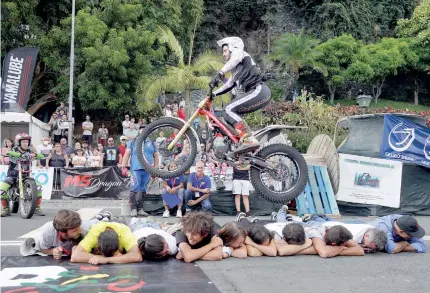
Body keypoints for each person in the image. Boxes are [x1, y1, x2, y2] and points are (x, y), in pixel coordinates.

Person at [210, 37, 271, 154]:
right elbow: (228, 85)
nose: (223, 54)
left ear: (232, 48)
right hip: (257, 93)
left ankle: (248, 138)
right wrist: (213, 94)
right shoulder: (236, 71)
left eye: (225, 51)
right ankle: (243, 144)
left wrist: (220, 72)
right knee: (229, 115)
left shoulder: (240, 54)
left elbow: (235, 59)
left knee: (227, 109)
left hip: (259, 90)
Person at [0, 133, 44, 216]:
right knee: (2, 190)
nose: (25, 143)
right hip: (12, 176)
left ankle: (37, 208)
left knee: (39, 187)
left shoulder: (30, 150)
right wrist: (17, 155)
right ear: (19, 143)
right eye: (23, 142)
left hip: (26, 176)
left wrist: (35, 155)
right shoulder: (14, 149)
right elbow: (8, 152)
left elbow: (41, 155)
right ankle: (6, 209)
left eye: (27, 142)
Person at [121, 125, 159, 217]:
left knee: (143, 188)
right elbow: (127, 154)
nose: (143, 131)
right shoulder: (133, 141)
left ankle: (140, 208)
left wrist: (155, 169)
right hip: (136, 168)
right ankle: (133, 209)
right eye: (142, 130)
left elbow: (156, 155)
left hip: (147, 169)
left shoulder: (151, 142)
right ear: (139, 131)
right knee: (135, 187)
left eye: (145, 129)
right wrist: (123, 166)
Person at [303, 214, 388, 253]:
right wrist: (360, 246)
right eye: (371, 245)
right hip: (328, 227)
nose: (373, 248)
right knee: (318, 225)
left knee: (335, 222)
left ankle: (322, 218)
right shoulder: (354, 235)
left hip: (348, 224)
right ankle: (313, 218)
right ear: (366, 236)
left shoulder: (372, 230)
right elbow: (354, 248)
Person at [71, 221, 142, 264]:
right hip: (99, 224)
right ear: (97, 248)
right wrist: (101, 258)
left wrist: (106, 259)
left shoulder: (125, 233)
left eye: (114, 254)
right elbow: (75, 257)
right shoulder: (94, 232)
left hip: (121, 225)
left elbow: (137, 256)